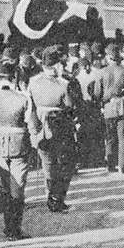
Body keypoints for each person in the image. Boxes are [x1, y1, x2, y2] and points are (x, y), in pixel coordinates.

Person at [0, 60, 38, 241]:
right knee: (17, 188)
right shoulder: (23, 98)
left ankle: (9, 226)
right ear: (14, 77)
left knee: (5, 185)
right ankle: (14, 229)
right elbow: (34, 126)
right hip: (19, 147)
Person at [29, 46, 77, 212]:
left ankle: (51, 196)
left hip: (41, 127)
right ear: (57, 65)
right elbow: (70, 107)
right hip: (60, 127)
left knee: (47, 163)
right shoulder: (63, 84)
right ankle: (58, 198)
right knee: (64, 163)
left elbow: (30, 106)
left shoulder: (33, 82)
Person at [95, 44, 124, 174]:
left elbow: (97, 92)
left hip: (108, 106)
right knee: (122, 137)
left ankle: (109, 164)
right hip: (121, 105)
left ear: (108, 56)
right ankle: (122, 166)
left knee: (109, 137)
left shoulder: (102, 72)